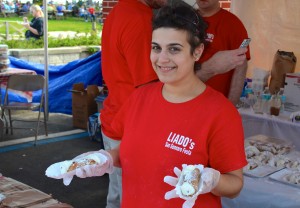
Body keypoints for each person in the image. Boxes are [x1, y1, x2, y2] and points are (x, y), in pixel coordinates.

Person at [62, 2, 247, 207]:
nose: (162, 59)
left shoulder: (220, 112)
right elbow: (132, 152)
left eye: (174, 49)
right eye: (156, 48)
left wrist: (210, 180)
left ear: (197, 52)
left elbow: (235, 184)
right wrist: (105, 158)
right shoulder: (139, 98)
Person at [100, 0, 168, 207]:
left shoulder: (119, 11)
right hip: (133, 124)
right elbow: (150, 87)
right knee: (131, 196)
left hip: (117, 117)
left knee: (118, 192)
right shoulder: (139, 19)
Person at [196, 0, 251, 105]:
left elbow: (241, 66)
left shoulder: (233, 24)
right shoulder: (185, 20)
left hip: (215, 105)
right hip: (183, 99)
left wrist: (231, 105)